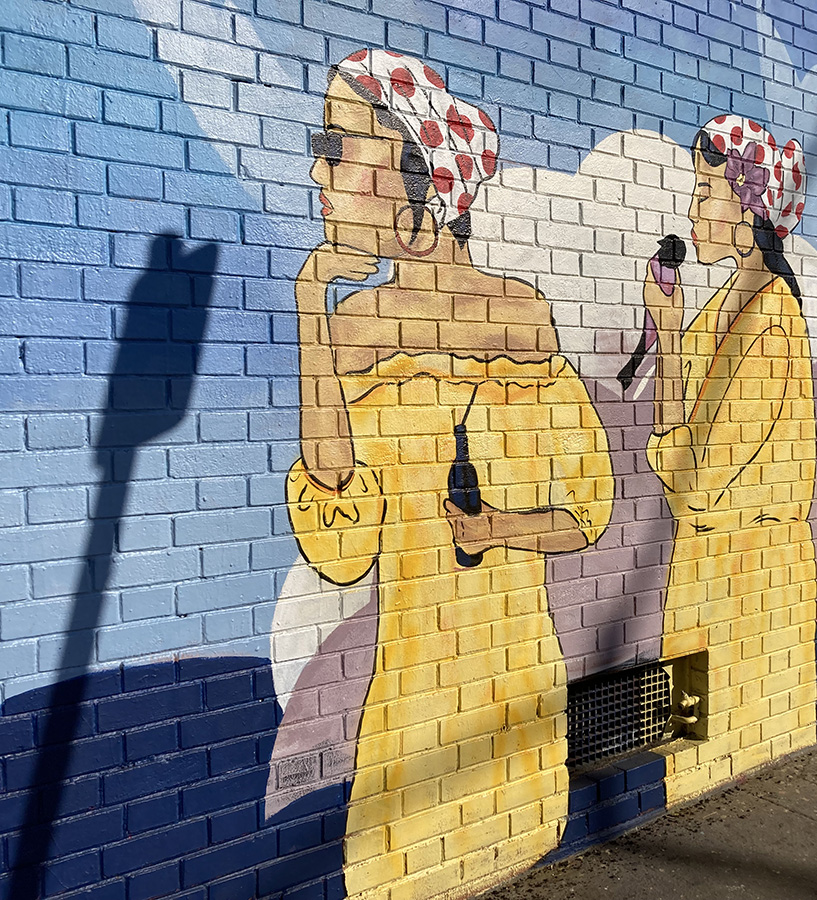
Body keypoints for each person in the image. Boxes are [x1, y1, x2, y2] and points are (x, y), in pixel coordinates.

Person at [286, 50, 614, 898]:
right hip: (409, 705)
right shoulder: (349, 334)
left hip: (516, 682)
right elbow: (340, 536)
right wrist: (308, 309)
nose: (318, 171)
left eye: (335, 146)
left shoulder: (522, 321)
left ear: (416, 176)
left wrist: (498, 527)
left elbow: (585, 510)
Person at [641, 116, 817, 775]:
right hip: (701, 576)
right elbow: (675, 424)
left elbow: (692, 478)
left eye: (705, 189)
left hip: (754, 587)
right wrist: (668, 328)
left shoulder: (771, 322)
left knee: (743, 763)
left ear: (748, 204)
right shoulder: (719, 309)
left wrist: (669, 446)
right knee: (687, 762)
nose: (692, 209)